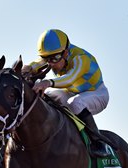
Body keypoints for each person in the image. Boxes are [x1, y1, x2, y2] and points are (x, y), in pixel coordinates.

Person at [23, 29, 111, 157]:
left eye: (55, 59)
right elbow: (36, 64)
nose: (51, 64)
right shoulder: (55, 54)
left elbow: (70, 79)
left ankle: (98, 142)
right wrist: (27, 69)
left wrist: (47, 82)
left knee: (75, 103)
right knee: (49, 95)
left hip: (97, 93)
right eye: (46, 59)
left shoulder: (81, 59)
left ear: (65, 52)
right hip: (72, 92)